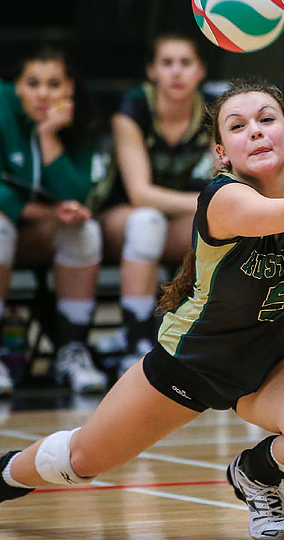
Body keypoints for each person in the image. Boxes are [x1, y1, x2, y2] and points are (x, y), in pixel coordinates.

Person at [0, 80, 284, 538]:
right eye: (238, 126)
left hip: (278, 359)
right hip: (192, 362)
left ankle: (255, 475)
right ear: (221, 152)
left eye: (267, 120)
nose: (255, 131)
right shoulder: (222, 198)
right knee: (82, 459)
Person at [0, 46, 108, 396]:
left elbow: (77, 194)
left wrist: (48, 136)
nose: (43, 93)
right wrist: (48, 213)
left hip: (30, 228)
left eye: (54, 84)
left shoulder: (81, 117)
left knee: (84, 231)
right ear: (17, 87)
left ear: (69, 88)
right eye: (33, 83)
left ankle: (71, 351)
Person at [98, 34, 215, 372]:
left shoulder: (212, 111)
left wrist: (213, 203)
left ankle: (199, 336)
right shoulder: (132, 109)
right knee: (146, 221)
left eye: (186, 63)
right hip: (119, 216)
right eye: (167, 63)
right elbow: (140, 193)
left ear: (201, 71)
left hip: (174, 218)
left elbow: (223, 180)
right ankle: (135, 340)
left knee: (215, 224)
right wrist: (203, 201)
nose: (176, 72)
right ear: (151, 71)